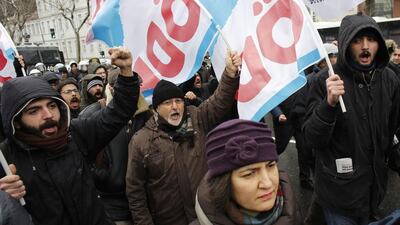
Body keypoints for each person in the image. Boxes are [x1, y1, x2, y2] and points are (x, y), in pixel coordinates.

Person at [0, 47, 140, 225]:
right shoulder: (6, 159)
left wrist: (126, 73)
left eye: (51, 106)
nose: (48, 115)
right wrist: (4, 198)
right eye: (34, 111)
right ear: (16, 120)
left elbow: (118, 113)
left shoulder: (76, 134)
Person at [303, 13, 400, 225]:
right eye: (357, 40)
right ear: (346, 44)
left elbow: (392, 130)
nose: (365, 46)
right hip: (339, 194)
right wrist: (328, 105)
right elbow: (311, 138)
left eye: (371, 40)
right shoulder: (325, 80)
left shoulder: (389, 78)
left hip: (374, 190)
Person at [126, 50, 241, 225]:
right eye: (167, 103)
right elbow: (135, 192)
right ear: (156, 108)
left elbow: (219, 101)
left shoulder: (198, 118)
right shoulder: (141, 141)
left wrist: (230, 74)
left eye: (178, 101)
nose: (175, 107)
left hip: (207, 214)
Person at [190, 119, 301, 225]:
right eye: (249, 173)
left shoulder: (292, 211)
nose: (267, 184)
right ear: (223, 183)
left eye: (271, 165)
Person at [79, 67, 152, 225]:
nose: (133, 92)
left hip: (145, 200)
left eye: (136, 87)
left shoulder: (147, 115)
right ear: (111, 88)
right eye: (128, 87)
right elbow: (80, 158)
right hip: (112, 205)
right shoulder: (92, 114)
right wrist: (107, 177)